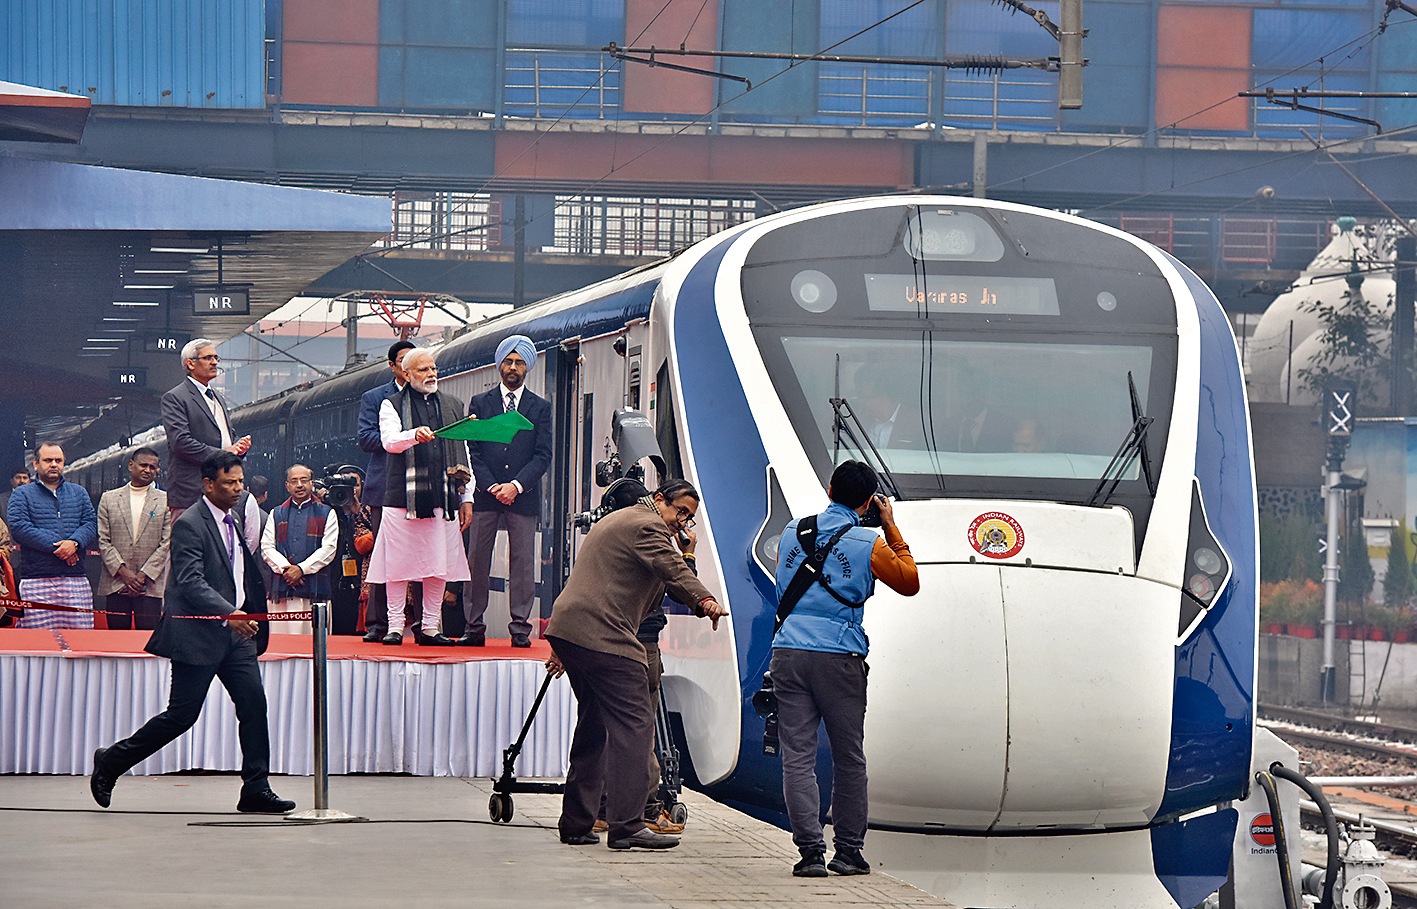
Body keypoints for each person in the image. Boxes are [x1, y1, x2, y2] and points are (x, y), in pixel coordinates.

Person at [90, 451, 295, 815]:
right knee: (181, 716)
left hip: (236, 637)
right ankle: (112, 761)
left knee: (253, 704)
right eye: (229, 483)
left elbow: (239, 576)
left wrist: (244, 614)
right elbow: (189, 581)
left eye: (241, 483)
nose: (237, 489)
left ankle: (256, 787)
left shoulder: (231, 519)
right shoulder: (190, 523)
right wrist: (229, 613)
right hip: (198, 635)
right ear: (208, 484)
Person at [544, 479, 727, 851]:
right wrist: (705, 600)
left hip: (570, 629)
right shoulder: (648, 524)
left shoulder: (619, 520)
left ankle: (577, 822)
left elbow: (661, 582)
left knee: (594, 725)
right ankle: (627, 825)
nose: (682, 521)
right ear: (659, 500)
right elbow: (673, 572)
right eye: (680, 512)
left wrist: (685, 557)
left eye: (689, 517)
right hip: (604, 635)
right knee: (636, 725)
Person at [770, 460, 919, 878]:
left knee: (797, 756)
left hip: (788, 651)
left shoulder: (792, 531)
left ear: (830, 488)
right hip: (839, 657)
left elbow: (785, 581)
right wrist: (889, 525)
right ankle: (848, 851)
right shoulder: (867, 542)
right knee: (849, 756)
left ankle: (810, 854)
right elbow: (909, 581)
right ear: (870, 501)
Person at [365, 348, 474, 646]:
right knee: (398, 565)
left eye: (433, 369)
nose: (431, 375)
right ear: (406, 374)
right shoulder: (392, 404)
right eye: (423, 370)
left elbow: (464, 452)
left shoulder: (453, 404)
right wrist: (414, 435)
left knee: (439, 565)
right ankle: (396, 626)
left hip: (445, 496)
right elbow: (389, 441)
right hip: (403, 497)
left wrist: (468, 498)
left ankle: (428, 627)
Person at [461, 334, 553, 648]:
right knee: (477, 561)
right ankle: (474, 627)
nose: (513, 367)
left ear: (528, 367)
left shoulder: (540, 407)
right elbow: (474, 449)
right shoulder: (480, 403)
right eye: (508, 361)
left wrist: (515, 486)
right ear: (500, 365)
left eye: (519, 362)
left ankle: (520, 630)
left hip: (522, 497)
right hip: (487, 495)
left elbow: (543, 455)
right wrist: (490, 485)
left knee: (523, 564)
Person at [357, 340, 415, 643]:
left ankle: (419, 623)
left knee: (422, 555)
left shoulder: (428, 397)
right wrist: (401, 439)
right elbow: (366, 438)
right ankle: (378, 624)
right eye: (403, 361)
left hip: (421, 487)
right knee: (384, 556)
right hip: (385, 487)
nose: (408, 367)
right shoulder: (374, 397)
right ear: (392, 366)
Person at [6, 442, 98, 630]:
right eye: (48, 460)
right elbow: (19, 527)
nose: (54, 464)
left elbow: (90, 523)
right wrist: (60, 548)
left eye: (58, 460)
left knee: (79, 640)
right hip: (37, 580)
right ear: (36, 464)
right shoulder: (22, 494)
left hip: (75, 579)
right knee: (38, 642)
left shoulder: (79, 493)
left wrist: (74, 542)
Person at [161, 338, 252, 514]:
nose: (214, 362)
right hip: (191, 493)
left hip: (220, 494)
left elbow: (225, 437)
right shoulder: (175, 398)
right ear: (190, 364)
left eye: (216, 358)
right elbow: (180, 442)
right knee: (191, 541)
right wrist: (224, 454)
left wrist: (238, 446)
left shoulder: (217, 397)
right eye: (208, 358)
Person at [96, 447, 171, 631]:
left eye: (152, 467)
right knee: (117, 640)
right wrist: (124, 573)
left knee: (147, 641)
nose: (147, 470)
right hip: (116, 583)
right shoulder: (109, 499)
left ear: (158, 470)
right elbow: (103, 540)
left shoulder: (166, 500)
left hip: (150, 585)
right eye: (143, 465)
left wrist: (142, 576)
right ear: (131, 465)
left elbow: (167, 542)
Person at [260, 464, 338, 635]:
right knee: (280, 644)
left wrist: (301, 570)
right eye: (294, 481)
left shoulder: (327, 513)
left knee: (314, 646)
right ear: (287, 486)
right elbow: (266, 547)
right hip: (282, 590)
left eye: (304, 480)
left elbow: (329, 549)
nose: (299, 485)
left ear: (312, 484)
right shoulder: (276, 513)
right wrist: (287, 570)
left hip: (315, 590)